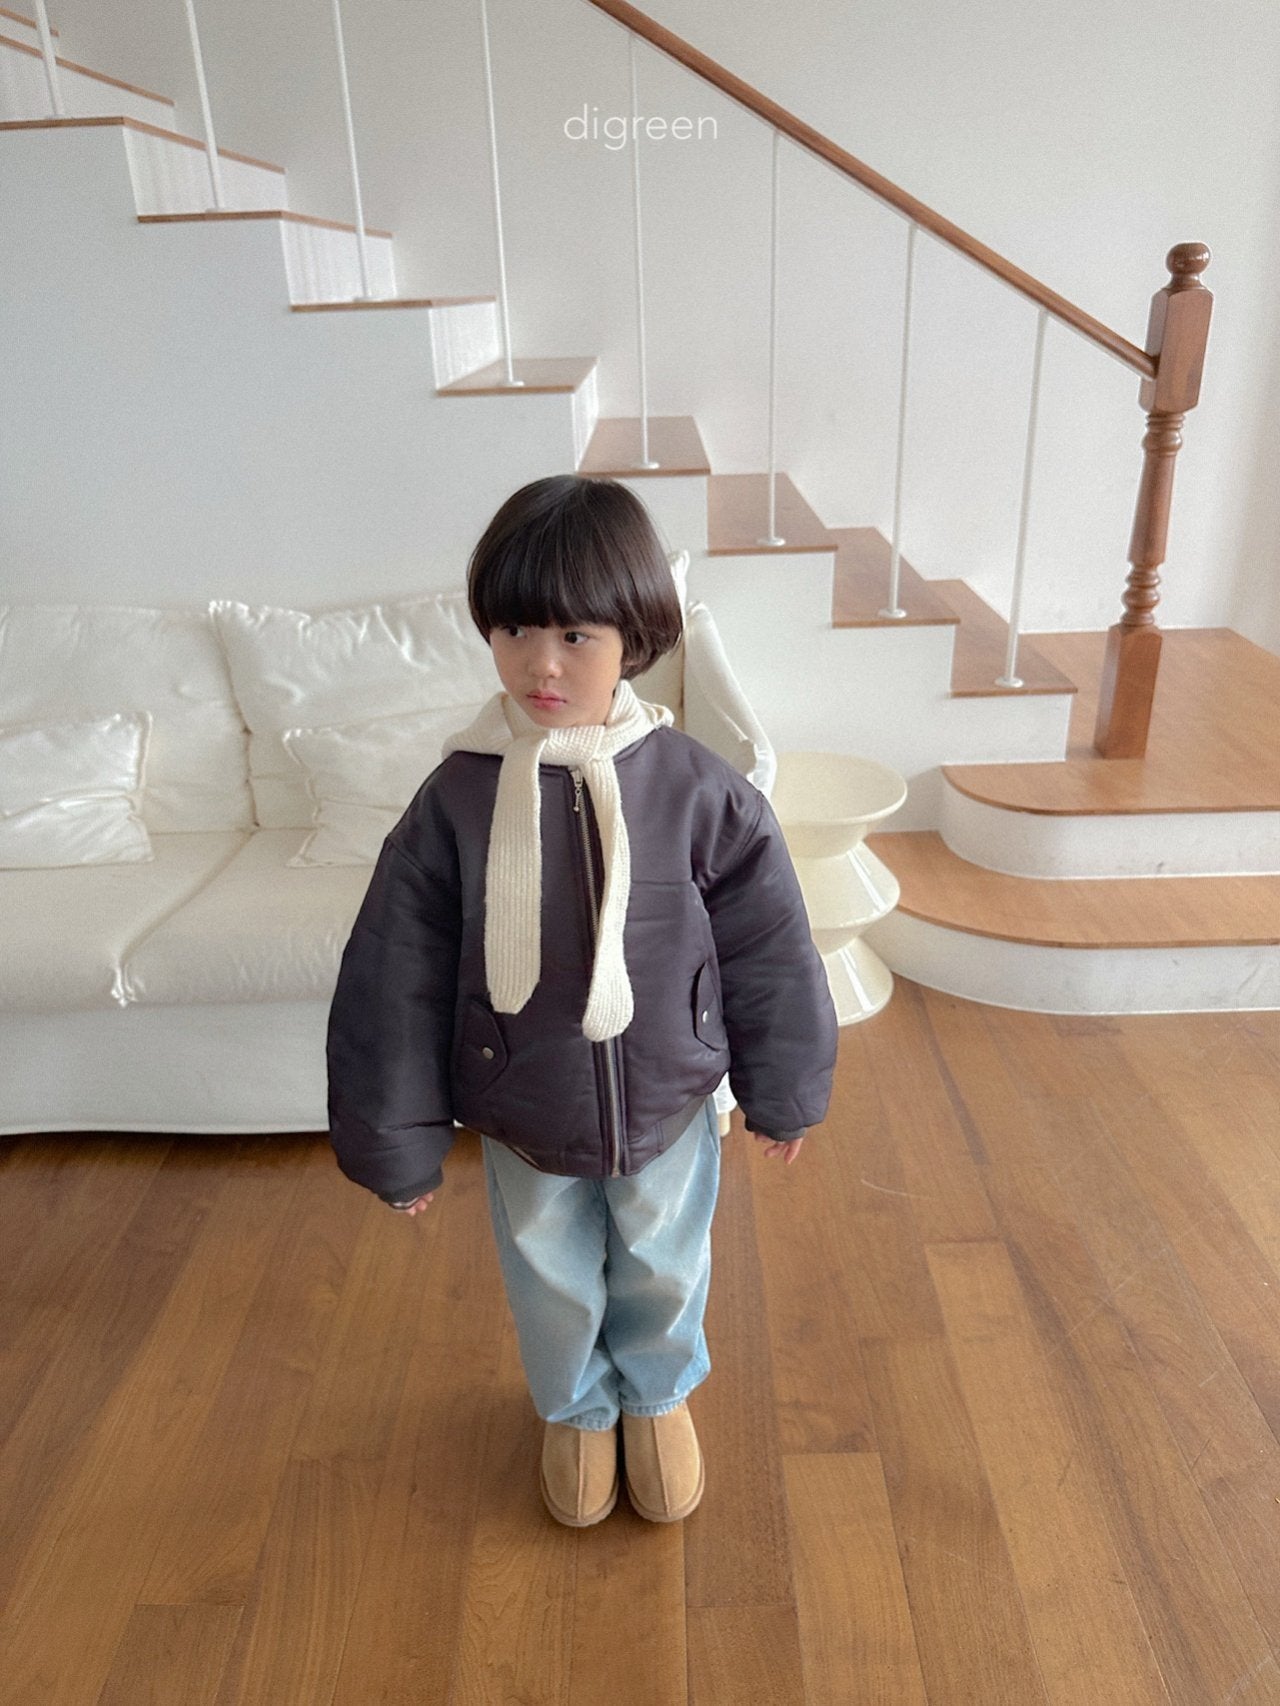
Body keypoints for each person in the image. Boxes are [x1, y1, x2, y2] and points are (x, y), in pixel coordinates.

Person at [326, 473, 838, 1528]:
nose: (541, 664)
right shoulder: (455, 801)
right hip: (523, 1104)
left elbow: (768, 948)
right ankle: (576, 1407)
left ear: (632, 637)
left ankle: (655, 1396)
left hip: (671, 1096)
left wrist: (783, 1090)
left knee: (663, 1256)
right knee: (549, 1270)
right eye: (515, 629)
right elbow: (395, 974)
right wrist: (397, 1143)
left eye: (574, 634)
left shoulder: (695, 788)